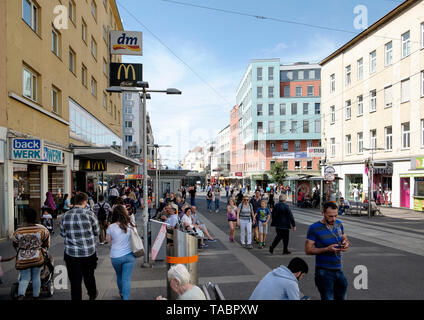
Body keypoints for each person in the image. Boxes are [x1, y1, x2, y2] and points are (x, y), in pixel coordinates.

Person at [305, 201, 351, 300]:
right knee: (328, 298)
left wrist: (346, 243)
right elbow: (308, 250)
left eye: (336, 216)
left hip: (338, 269)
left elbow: (344, 237)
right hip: (323, 271)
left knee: (342, 297)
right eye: (330, 216)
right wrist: (327, 249)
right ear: (323, 213)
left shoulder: (338, 224)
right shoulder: (314, 228)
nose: (333, 219)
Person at [60, 192, 100, 301]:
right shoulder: (90, 214)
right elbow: (97, 232)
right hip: (89, 252)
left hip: (71, 253)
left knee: (75, 281)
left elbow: (63, 233)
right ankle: (92, 294)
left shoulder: (66, 215)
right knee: (89, 276)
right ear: (85, 201)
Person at [12, 208, 50, 300]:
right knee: (36, 276)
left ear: (25, 218)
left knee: (24, 277)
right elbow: (46, 244)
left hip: (23, 257)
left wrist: (22, 250)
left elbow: (15, 244)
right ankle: (36, 296)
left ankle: (21, 295)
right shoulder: (42, 230)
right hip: (37, 257)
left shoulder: (18, 231)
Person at [105, 205, 136, 300]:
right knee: (126, 279)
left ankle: (121, 293)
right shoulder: (130, 224)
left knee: (119, 275)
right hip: (129, 256)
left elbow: (108, 240)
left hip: (116, 256)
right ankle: (125, 298)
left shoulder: (111, 227)